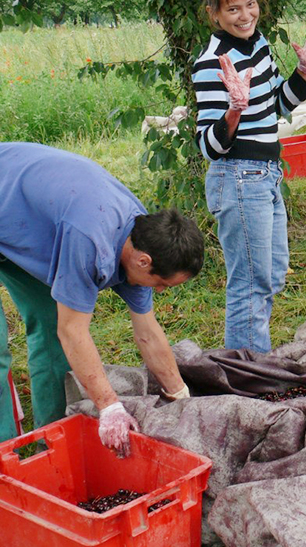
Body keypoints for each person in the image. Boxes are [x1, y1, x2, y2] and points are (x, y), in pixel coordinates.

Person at [0, 142, 204, 454]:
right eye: (162, 284)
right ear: (143, 262)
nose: (160, 291)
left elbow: (148, 333)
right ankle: (4, 458)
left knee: (50, 327)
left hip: (24, 218)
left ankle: (51, 439)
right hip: (11, 195)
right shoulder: (90, 242)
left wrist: (181, 397)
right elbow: (74, 331)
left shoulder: (141, 236)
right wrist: (110, 407)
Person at [192, 0, 306, 353]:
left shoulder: (259, 45)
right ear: (215, 15)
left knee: (270, 277)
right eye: (233, 9)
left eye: (250, 4)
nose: (245, 15)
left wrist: (303, 71)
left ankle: (251, 360)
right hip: (239, 176)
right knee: (250, 285)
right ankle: (250, 377)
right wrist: (233, 111)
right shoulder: (212, 63)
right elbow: (207, 146)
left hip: (267, 174)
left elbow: (275, 107)